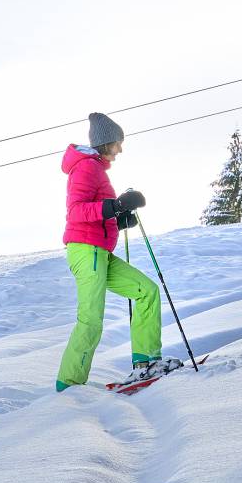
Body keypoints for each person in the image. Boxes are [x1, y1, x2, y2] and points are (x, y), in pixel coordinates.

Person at [55, 112, 166, 390]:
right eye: (118, 142)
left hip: (100, 252)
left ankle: (146, 363)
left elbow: (97, 212)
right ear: (107, 142)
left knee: (146, 291)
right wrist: (115, 207)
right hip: (86, 251)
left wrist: (119, 218)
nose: (120, 149)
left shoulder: (96, 169)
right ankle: (68, 385)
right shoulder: (86, 168)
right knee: (91, 320)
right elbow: (76, 211)